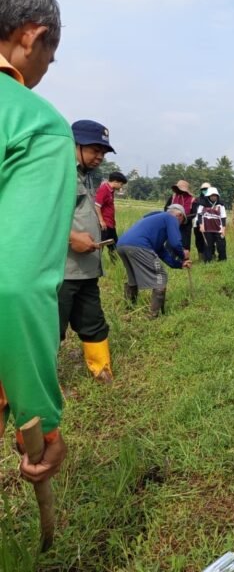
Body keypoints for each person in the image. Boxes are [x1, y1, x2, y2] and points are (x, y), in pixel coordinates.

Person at [0, 0, 73, 482]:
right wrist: (41, 422)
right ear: (32, 35)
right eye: (50, 53)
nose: (47, 66)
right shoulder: (36, 124)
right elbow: (17, 283)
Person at [59, 119, 115, 383]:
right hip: (62, 270)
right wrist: (71, 238)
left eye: (103, 152)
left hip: (86, 270)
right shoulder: (57, 172)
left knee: (93, 322)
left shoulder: (86, 177)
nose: (100, 157)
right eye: (95, 150)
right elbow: (37, 216)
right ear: (75, 144)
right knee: (50, 330)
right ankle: (45, 385)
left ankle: (101, 371)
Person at [116, 204, 191, 317]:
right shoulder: (171, 217)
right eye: (182, 222)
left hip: (122, 245)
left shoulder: (157, 222)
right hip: (139, 245)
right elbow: (175, 243)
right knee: (160, 276)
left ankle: (128, 310)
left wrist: (179, 264)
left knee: (133, 279)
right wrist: (183, 254)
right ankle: (154, 315)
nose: (179, 225)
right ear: (179, 215)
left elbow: (162, 252)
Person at [95, 170, 128, 258]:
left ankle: (115, 265)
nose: (121, 187)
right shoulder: (104, 189)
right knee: (100, 247)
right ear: (115, 182)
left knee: (114, 246)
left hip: (110, 224)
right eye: (121, 184)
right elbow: (97, 205)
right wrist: (101, 221)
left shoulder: (111, 190)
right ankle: (97, 265)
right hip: (104, 225)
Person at [163, 179, 195, 254]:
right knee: (171, 239)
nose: (178, 190)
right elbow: (166, 208)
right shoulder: (173, 197)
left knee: (185, 242)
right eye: (177, 189)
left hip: (186, 224)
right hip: (173, 223)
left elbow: (195, 213)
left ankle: (184, 258)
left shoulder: (192, 199)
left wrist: (184, 218)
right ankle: (169, 255)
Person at [197, 186, 227, 262]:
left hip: (218, 228)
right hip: (207, 228)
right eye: (212, 195)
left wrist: (223, 228)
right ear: (209, 196)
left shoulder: (221, 205)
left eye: (215, 195)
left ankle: (222, 260)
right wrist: (201, 225)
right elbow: (200, 215)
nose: (214, 197)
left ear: (217, 196)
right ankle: (207, 261)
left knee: (221, 245)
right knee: (208, 245)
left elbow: (223, 217)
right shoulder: (202, 204)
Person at [192, 182, 210, 261]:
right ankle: (201, 256)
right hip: (197, 223)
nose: (205, 191)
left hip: (210, 223)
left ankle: (209, 256)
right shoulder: (196, 200)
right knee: (199, 240)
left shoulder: (213, 200)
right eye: (203, 189)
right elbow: (193, 211)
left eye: (207, 189)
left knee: (209, 240)